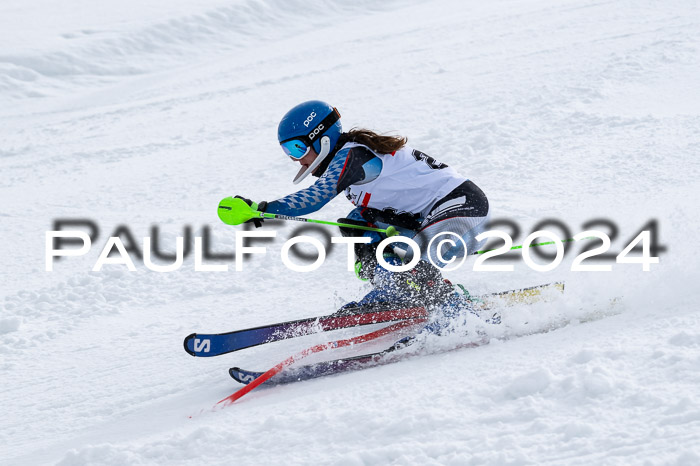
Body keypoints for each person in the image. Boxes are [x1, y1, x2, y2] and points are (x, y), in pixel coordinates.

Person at [234, 100, 491, 314]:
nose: (293, 157)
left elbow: (316, 197)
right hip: (432, 219)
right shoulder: (349, 164)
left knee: (415, 267)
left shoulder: (353, 155)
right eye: (287, 150)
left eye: (297, 147)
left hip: (464, 210)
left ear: (321, 138)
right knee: (357, 224)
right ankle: (396, 291)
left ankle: (459, 314)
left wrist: (264, 209)